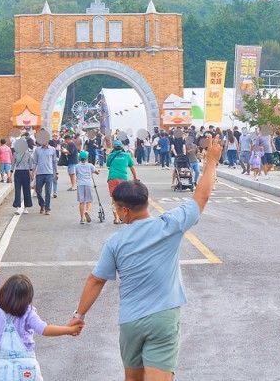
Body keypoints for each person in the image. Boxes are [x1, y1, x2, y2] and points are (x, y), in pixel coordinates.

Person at [69, 138, 222, 381]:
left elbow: (96, 280)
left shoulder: (115, 243)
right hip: (163, 317)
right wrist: (212, 160)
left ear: (125, 210)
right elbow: (201, 196)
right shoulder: (170, 225)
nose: (117, 212)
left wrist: (79, 316)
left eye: (117, 208)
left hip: (131, 321)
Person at [0, 258, 81, 381]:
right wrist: (69, 330)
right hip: (27, 368)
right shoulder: (27, 313)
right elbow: (45, 329)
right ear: (27, 299)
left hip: (5, 370)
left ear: (4, 292)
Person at [106, 140, 138, 225]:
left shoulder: (110, 156)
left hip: (112, 178)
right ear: (121, 147)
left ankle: (116, 218)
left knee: (114, 199)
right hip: (123, 179)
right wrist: (135, 178)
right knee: (123, 198)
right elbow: (132, 168)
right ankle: (124, 217)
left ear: (114, 147)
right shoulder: (127, 155)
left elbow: (108, 165)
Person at [32, 137, 58, 215]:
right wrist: (32, 172)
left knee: (48, 192)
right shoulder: (37, 150)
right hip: (39, 173)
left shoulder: (52, 149)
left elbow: (54, 162)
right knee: (38, 191)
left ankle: (47, 208)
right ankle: (42, 205)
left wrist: (56, 172)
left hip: (49, 173)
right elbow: (35, 161)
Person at [11, 138, 35, 215]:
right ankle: (18, 208)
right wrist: (10, 176)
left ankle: (26, 208)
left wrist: (31, 175)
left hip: (26, 173)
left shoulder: (28, 154)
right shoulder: (15, 154)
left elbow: (30, 165)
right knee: (17, 190)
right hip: (17, 173)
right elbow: (12, 165)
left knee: (26, 190)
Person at [76, 151, 99, 224]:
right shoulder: (90, 165)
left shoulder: (77, 166)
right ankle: (87, 211)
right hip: (88, 184)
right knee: (89, 200)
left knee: (81, 202)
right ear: (86, 158)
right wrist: (97, 171)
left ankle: (82, 219)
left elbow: (76, 174)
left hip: (80, 184)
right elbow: (96, 172)